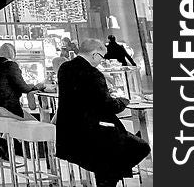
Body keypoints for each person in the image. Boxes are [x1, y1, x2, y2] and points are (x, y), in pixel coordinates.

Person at [56, 39, 150, 187]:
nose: (101, 61)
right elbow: (107, 105)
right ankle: (109, 177)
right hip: (93, 134)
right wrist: (122, 101)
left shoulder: (64, 68)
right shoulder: (93, 74)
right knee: (141, 147)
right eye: (101, 56)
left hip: (68, 135)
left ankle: (108, 175)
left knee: (113, 157)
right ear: (94, 54)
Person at [0, 43, 47, 159]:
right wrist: (36, 87)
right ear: (12, 53)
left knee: (13, 123)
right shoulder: (10, 65)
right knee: (34, 123)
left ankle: (2, 148)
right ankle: (38, 155)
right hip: (6, 107)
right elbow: (22, 86)